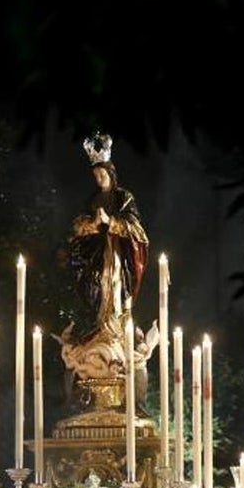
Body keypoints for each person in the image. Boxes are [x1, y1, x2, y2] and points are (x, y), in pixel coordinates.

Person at [65, 132, 149, 347]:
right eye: (95, 176)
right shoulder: (92, 200)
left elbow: (137, 229)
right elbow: (78, 225)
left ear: (110, 174)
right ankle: (100, 326)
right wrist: (92, 225)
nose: (98, 179)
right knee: (95, 287)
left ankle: (115, 328)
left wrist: (111, 222)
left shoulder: (123, 197)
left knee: (114, 286)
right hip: (95, 254)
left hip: (116, 255)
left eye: (101, 175)